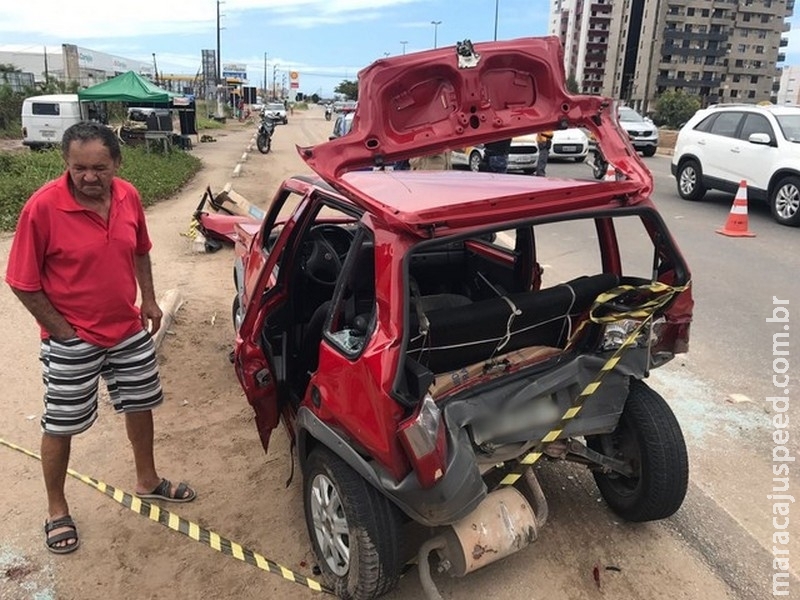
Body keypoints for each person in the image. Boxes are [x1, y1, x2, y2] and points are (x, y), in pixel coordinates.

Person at [5, 121, 196, 555]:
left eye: (99, 168)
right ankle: (57, 509)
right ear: (66, 163)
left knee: (140, 403)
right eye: (79, 168)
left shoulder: (128, 195)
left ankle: (147, 479)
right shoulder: (42, 208)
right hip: (73, 338)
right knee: (61, 424)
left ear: (117, 163)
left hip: (126, 328)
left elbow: (141, 249)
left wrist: (149, 300)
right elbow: (21, 281)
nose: (89, 177)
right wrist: (63, 333)